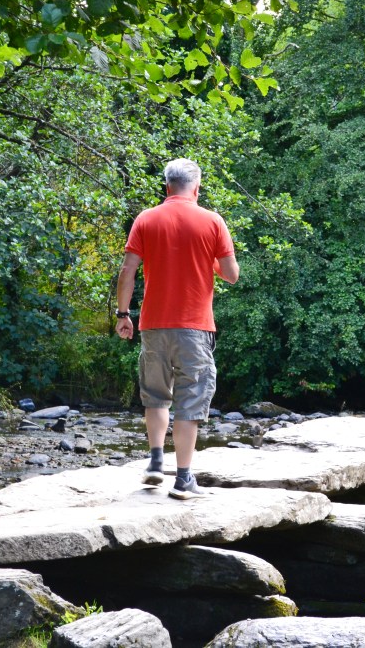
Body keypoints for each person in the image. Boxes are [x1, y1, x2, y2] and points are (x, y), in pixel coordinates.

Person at [115, 158, 240, 499]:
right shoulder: (213, 221)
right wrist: (207, 260)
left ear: (167, 186)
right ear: (196, 187)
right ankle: (183, 480)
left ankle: (155, 463)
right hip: (195, 327)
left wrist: (123, 314)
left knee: (155, 396)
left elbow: (127, 271)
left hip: (153, 325)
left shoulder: (146, 219)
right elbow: (231, 274)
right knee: (190, 400)